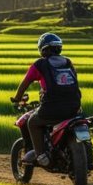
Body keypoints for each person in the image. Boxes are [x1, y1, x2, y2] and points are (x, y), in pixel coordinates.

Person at [10, 33, 82, 167]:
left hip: (51, 108)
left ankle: (41, 155)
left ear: (43, 49)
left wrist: (17, 98)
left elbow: (25, 83)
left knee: (32, 122)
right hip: (74, 107)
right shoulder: (68, 62)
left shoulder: (40, 64)